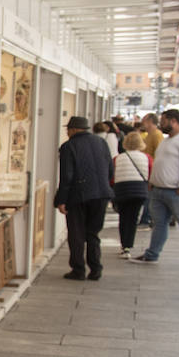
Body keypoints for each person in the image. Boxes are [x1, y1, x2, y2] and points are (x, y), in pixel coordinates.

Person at [128, 107, 179, 269]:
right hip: (159, 189)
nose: (161, 124)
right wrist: (152, 181)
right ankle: (152, 255)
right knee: (160, 224)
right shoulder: (168, 140)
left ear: (173, 121)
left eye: (163, 121)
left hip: (178, 191)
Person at [55, 115, 113, 280]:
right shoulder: (101, 143)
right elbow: (110, 169)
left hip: (78, 195)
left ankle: (78, 269)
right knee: (93, 233)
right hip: (101, 194)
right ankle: (96, 269)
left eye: (68, 129)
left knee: (76, 234)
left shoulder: (69, 146)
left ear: (73, 130)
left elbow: (66, 176)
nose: (67, 132)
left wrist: (61, 200)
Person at [111, 131, 151, 258]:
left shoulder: (118, 158)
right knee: (133, 218)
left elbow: (111, 176)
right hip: (139, 190)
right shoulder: (147, 157)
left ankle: (124, 246)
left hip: (122, 190)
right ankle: (129, 245)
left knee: (123, 218)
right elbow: (151, 174)